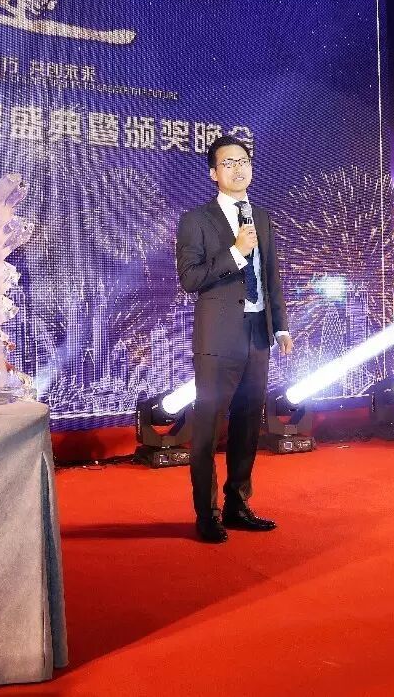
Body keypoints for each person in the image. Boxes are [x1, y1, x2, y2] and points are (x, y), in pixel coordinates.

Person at [175, 136, 294, 544]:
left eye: (243, 161)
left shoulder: (262, 217)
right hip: (218, 337)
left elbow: (271, 275)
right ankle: (207, 514)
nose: (238, 168)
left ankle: (237, 505)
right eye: (228, 163)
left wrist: (280, 327)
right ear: (214, 173)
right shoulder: (196, 220)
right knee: (208, 428)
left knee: (247, 424)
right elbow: (190, 278)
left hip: (258, 333)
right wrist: (237, 252)